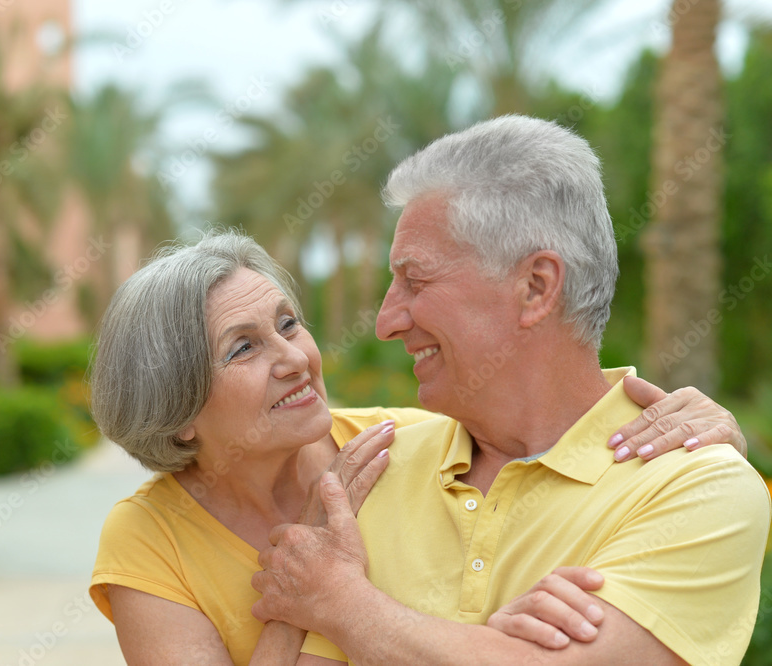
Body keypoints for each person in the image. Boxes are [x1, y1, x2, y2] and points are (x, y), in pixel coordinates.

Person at [250, 115, 771, 665]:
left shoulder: (699, 485)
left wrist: (345, 606)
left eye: (416, 280)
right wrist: (488, 649)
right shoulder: (370, 469)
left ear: (536, 287)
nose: (386, 321)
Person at [88, 230, 747, 665]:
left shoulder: (399, 447)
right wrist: (308, 593)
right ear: (177, 413)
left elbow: (553, 424)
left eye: (289, 324)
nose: (294, 358)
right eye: (244, 347)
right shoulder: (148, 537)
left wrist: (705, 438)